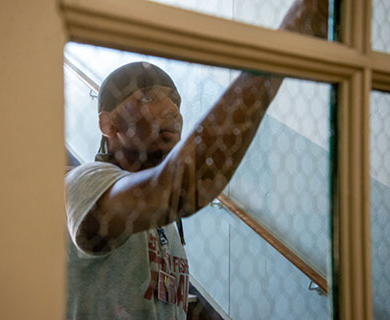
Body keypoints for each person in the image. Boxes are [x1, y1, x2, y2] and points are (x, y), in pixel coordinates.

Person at [64, 0, 328, 318]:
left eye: (175, 99)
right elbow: (182, 187)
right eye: (147, 97)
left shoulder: (165, 225)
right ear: (109, 125)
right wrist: (285, 46)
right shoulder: (84, 182)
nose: (173, 110)